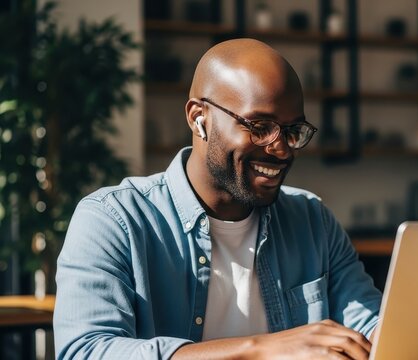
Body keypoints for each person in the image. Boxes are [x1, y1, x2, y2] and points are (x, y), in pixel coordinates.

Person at [54, 39, 382, 360]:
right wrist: (260, 349)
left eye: (292, 130)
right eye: (260, 126)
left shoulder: (312, 221)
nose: (281, 149)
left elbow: (372, 327)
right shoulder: (114, 220)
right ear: (200, 118)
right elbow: (86, 351)